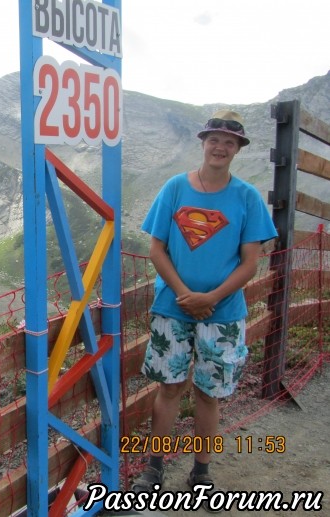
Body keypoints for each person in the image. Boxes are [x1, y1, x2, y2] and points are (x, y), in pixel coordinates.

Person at [131, 110, 277, 507]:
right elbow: (156, 249)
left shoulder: (246, 197)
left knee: (208, 394)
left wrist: (210, 299)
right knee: (169, 388)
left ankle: (201, 471)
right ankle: (154, 468)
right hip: (173, 306)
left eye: (229, 142)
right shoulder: (175, 188)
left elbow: (250, 262)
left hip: (223, 313)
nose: (220, 147)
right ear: (203, 142)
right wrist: (186, 295)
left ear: (238, 149)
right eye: (214, 139)